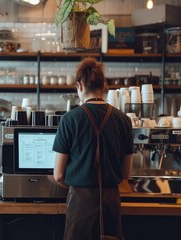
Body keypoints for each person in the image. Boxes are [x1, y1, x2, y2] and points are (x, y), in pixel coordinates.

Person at [52, 58, 133, 240]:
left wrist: (79, 185)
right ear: (104, 85)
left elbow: (58, 175)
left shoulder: (69, 119)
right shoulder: (123, 120)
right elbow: (126, 173)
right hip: (111, 202)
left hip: (80, 203)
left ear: (79, 86)